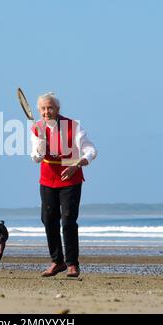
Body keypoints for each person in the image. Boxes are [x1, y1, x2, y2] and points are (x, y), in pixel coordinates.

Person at [30, 92, 97, 277]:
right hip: (48, 178)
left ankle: (72, 264)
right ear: (39, 111)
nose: (46, 112)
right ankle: (57, 261)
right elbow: (35, 158)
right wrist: (40, 147)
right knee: (48, 219)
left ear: (57, 109)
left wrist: (77, 165)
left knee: (68, 221)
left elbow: (91, 150)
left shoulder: (74, 126)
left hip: (71, 177)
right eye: (43, 109)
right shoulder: (36, 128)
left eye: (50, 107)